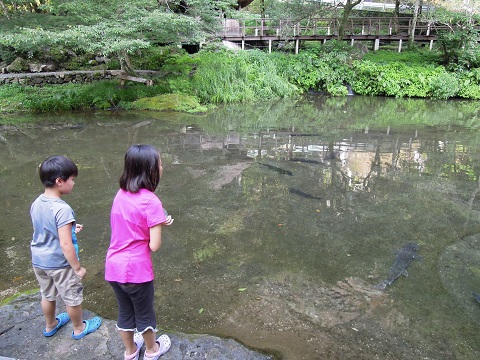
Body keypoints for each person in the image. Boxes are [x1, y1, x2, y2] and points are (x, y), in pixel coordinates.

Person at [105, 144, 174, 360]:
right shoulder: (151, 201)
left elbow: (129, 225)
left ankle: (130, 352)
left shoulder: (121, 193)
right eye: (160, 163)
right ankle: (152, 351)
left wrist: (155, 222)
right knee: (145, 314)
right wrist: (159, 225)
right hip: (137, 270)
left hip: (113, 266)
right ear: (150, 170)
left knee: (125, 313)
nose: (162, 167)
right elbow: (154, 245)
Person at [30, 155, 102, 340]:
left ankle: (50, 325)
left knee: (47, 295)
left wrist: (70, 228)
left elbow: (46, 229)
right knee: (72, 297)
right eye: (72, 179)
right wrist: (77, 268)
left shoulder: (36, 203)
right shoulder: (62, 209)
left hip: (39, 260)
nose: (73, 183)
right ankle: (79, 328)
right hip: (60, 263)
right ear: (59, 181)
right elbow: (65, 244)